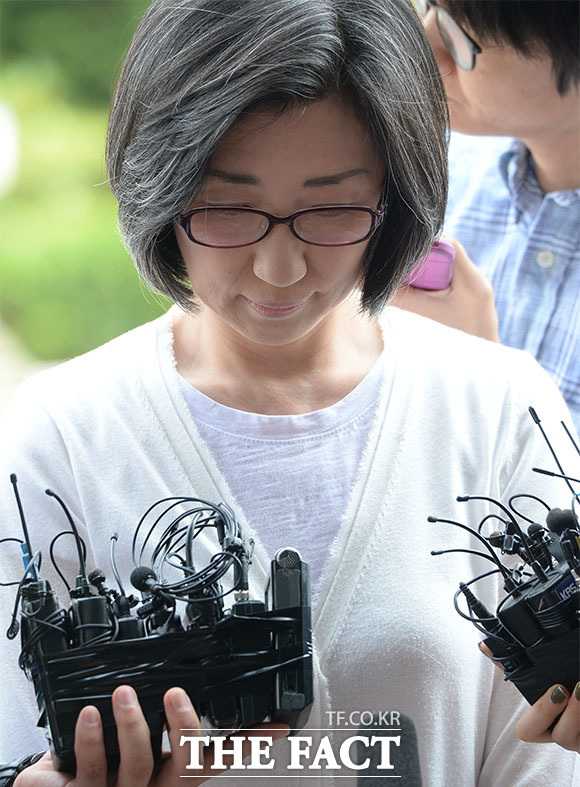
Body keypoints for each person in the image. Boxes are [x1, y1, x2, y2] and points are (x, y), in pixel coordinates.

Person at [0, 0, 578, 784]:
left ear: (394, 198)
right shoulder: (55, 436)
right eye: (229, 208)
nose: (280, 270)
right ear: (163, 188)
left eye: (332, 210)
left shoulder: (504, 409)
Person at [394, 1, 580, 435]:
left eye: (461, 36)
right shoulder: (439, 171)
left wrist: (483, 374)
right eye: (432, 9)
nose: (424, 42)